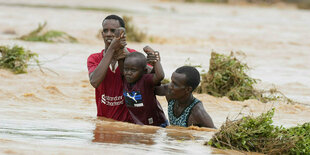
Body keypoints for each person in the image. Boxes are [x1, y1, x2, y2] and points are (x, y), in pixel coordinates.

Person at [87, 15, 135, 122]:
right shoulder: (94, 58)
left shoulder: (133, 56)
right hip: (103, 123)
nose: (108, 34)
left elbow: (153, 77)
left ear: (123, 34)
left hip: (128, 125)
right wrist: (112, 48)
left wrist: (126, 54)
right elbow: (94, 81)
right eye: (105, 30)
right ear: (102, 34)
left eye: (113, 31)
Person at [119, 46, 168, 127]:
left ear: (144, 71)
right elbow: (120, 58)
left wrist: (156, 60)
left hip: (158, 124)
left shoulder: (145, 80)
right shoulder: (125, 78)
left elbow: (160, 76)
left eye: (133, 70)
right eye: (126, 69)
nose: (128, 73)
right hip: (140, 124)